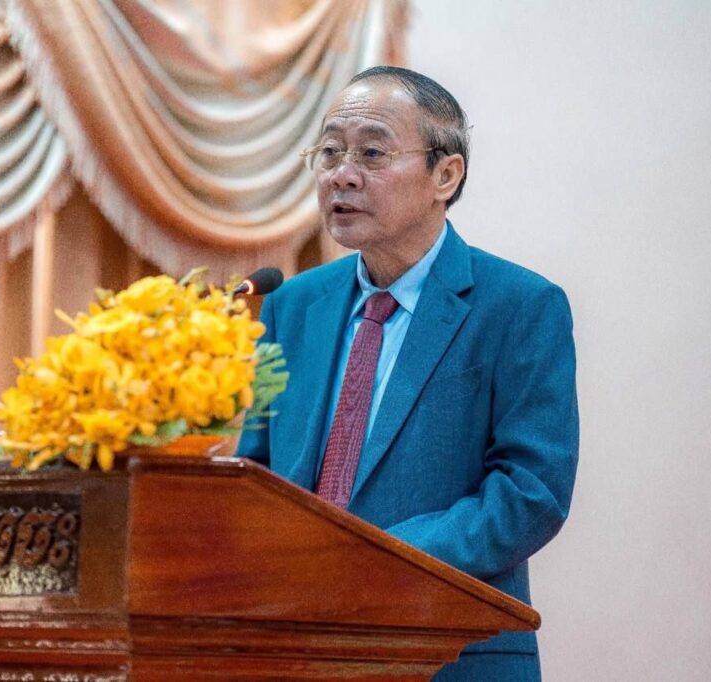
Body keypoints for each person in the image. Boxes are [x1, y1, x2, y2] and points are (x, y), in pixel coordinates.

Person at [235, 66, 578, 681]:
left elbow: (531, 492)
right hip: (295, 651)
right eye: (330, 152)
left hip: (446, 652)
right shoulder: (292, 306)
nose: (342, 174)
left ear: (446, 175)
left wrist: (374, 560)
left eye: (372, 152)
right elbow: (257, 473)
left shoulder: (520, 306)